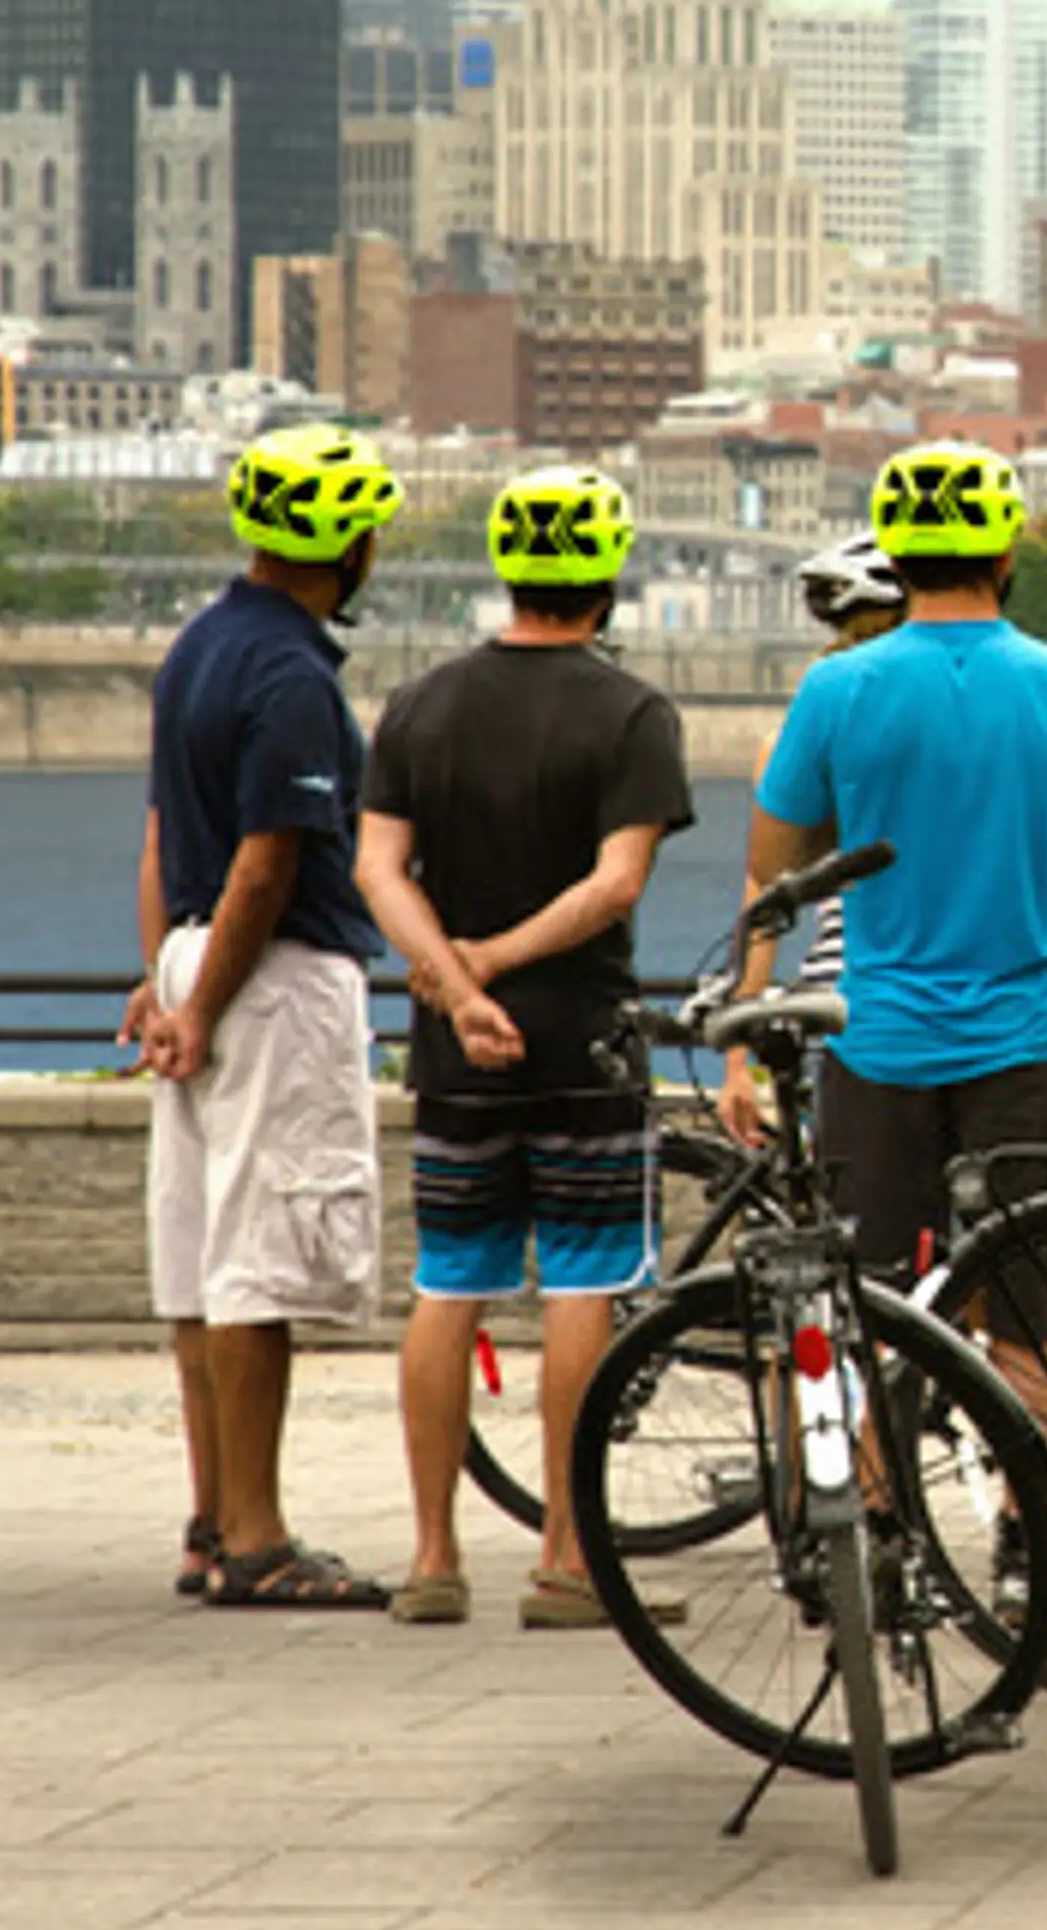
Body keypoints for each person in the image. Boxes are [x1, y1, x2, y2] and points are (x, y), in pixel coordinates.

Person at [741, 442, 1047, 1610]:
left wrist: (743, 1023)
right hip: (1030, 1038)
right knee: (1033, 1312)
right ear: (1007, 552)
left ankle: (866, 1532)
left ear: (900, 556)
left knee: (861, 1302)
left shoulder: (839, 690)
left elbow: (777, 874)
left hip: (875, 1045)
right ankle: (1029, 1547)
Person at [357, 465, 697, 1630]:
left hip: (456, 1053)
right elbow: (616, 885)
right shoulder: (633, 714)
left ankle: (433, 1558)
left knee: (448, 1286)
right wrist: (497, 966)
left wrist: (454, 987)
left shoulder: (420, 705)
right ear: (607, 580)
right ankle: (567, 1557)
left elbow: (376, 872)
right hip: (582, 1042)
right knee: (585, 1287)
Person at [124, 421, 404, 1611]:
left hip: (195, 960)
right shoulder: (291, 676)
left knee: (197, 1259)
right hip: (272, 978)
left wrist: (164, 980)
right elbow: (268, 863)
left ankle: (207, 1519)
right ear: (342, 542)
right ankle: (258, 1539)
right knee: (254, 1263)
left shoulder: (200, 646)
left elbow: (158, 839)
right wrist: (213, 1001)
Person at [714, 535, 905, 1082]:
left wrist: (735, 1056)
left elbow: (765, 895)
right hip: (967, 1005)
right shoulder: (971, 725)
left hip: (838, 999)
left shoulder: (796, 738)